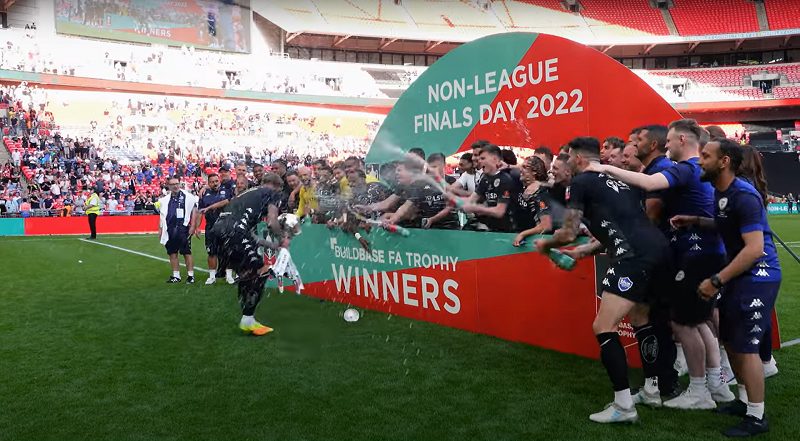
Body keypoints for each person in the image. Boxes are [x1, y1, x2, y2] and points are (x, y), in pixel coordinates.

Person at [591, 119, 733, 410]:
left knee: (683, 322)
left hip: (694, 254)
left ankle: (699, 391)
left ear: (682, 140)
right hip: (703, 251)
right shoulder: (698, 171)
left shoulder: (684, 168)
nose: (666, 146)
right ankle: (715, 384)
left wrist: (604, 168)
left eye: (669, 141)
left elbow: (649, 184)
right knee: (697, 319)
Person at [535, 136, 672, 424]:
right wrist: (587, 250)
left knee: (603, 326)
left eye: (568, 156)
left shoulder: (582, 182)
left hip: (633, 257)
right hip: (659, 250)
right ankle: (652, 390)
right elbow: (625, 225)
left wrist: (545, 245)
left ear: (579, 158)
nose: (566, 162)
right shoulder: (622, 180)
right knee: (640, 319)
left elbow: (569, 231)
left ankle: (624, 406)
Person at [671, 138, 781, 437]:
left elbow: (755, 249)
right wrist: (695, 220)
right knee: (731, 341)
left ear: (724, 162)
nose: (700, 161)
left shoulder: (743, 195)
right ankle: (745, 401)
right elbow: (724, 225)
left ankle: (757, 416)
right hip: (738, 275)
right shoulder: (722, 193)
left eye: (705, 156)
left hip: (757, 275)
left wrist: (717, 279)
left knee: (746, 347)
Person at [210, 180, 284, 336]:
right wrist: (283, 238)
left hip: (217, 230)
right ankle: (248, 319)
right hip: (234, 231)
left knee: (246, 274)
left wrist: (270, 244)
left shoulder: (248, 194)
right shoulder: (272, 193)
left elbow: (247, 231)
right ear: (278, 186)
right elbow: (272, 222)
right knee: (261, 270)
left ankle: (247, 315)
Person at [461, 144, 521, 232]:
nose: (479, 161)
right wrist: (457, 202)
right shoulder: (484, 179)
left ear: (495, 159)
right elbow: (471, 200)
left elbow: (499, 212)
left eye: (483, 158)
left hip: (507, 232)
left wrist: (478, 208)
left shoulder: (505, 179)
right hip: (491, 230)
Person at [194, 173, 235, 285]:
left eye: (216, 181)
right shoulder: (204, 194)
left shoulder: (227, 190)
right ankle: (212, 276)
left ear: (219, 181)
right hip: (211, 227)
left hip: (225, 226)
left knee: (227, 252)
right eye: (212, 182)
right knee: (211, 252)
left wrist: (210, 207)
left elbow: (227, 201)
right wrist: (197, 227)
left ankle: (229, 276)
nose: (215, 183)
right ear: (208, 183)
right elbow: (200, 212)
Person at [158, 176, 199, 284]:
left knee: (186, 252)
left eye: (177, 183)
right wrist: (161, 230)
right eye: (172, 184)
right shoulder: (165, 199)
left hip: (183, 228)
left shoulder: (188, 196)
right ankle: (176, 276)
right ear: (168, 186)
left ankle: (191, 276)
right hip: (170, 229)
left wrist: (193, 226)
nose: (175, 186)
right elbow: (162, 216)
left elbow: (194, 211)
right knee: (172, 253)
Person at [512, 156, 553, 246]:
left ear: (534, 172)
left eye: (525, 167)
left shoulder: (540, 193)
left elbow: (546, 225)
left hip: (533, 243)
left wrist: (523, 234)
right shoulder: (524, 188)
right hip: (518, 239)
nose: (520, 170)